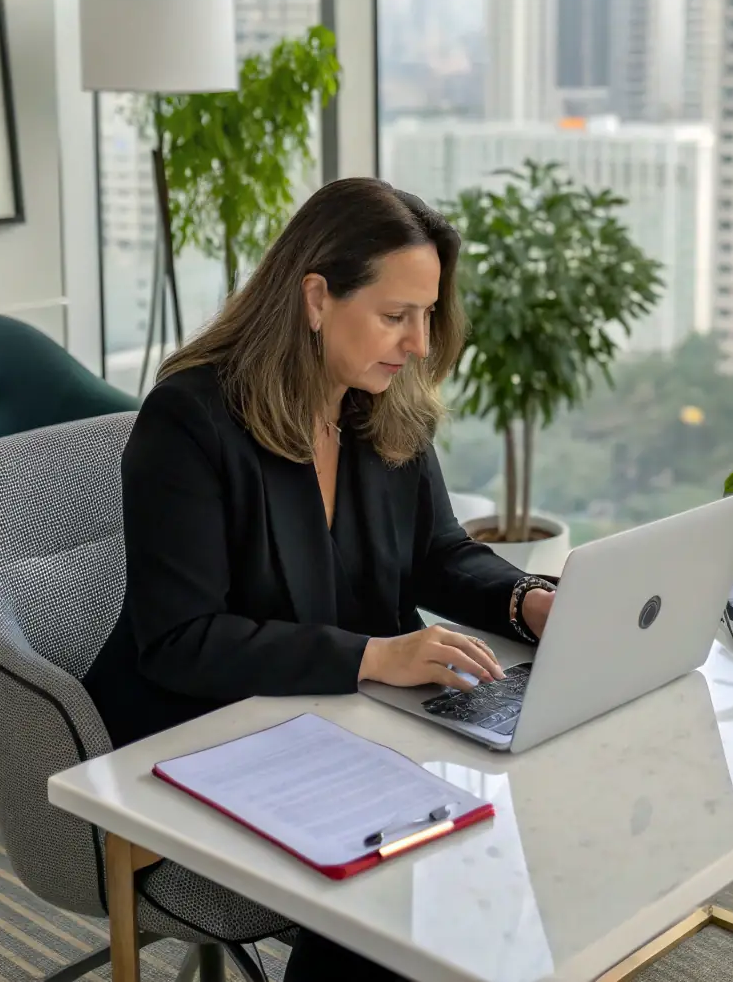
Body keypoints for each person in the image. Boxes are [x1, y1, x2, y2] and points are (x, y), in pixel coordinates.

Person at [82, 177, 556, 982]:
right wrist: (374, 656)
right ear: (315, 296)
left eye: (428, 314)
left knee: (483, 827)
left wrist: (528, 600)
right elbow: (181, 640)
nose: (417, 342)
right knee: (399, 865)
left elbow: (438, 552)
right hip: (193, 729)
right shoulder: (189, 421)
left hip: (333, 721)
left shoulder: (379, 403)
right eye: (395, 314)